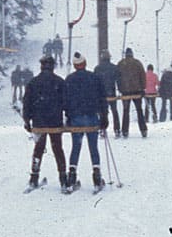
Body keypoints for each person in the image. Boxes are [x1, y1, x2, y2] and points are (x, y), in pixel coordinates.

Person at [22, 53, 68, 192]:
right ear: (53, 66)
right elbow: (66, 102)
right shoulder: (59, 81)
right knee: (58, 149)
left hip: (39, 122)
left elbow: (27, 103)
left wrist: (27, 120)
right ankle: (63, 178)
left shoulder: (33, 82)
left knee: (38, 149)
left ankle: (34, 177)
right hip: (55, 121)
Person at [63, 52, 108, 189]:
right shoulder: (94, 78)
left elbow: (65, 100)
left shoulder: (69, 79)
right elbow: (102, 99)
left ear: (75, 65)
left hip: (75, 117)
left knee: (76, 146)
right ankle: (96, 176)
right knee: (93, 146)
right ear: (85, 63)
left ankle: (71, 176)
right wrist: (104, 117)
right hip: (91, 116)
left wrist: (68, 116)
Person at [116, 46, 148, 138]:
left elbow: (118, 78)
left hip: (125, 91)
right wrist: (143, 88)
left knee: (126, 111)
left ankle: (125, 131)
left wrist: (120, 88)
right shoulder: (137, 63)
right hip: (137, 91)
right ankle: (143, 130)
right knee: (139, 110)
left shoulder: (121, 63)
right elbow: (142, 76)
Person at [94, 49, 121, 137]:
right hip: (111, 92)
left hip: (101, 94)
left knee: (103, 112)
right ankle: (117, 129)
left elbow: (95, 82)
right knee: (114, 111)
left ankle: (102, 129)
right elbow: (118, 80)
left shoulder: (98, 68)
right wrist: (120, 89)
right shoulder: (114, 67)